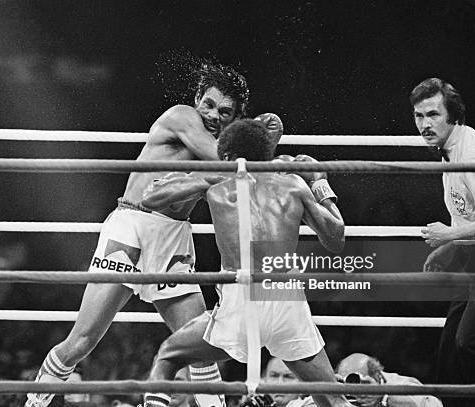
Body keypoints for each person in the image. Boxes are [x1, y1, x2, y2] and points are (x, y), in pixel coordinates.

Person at [26, 63, 282, 407]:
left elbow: (244, 187)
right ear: (196, 99)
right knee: (83, 340)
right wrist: (259, 139)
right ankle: (32, 403)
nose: (212, 115)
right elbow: (226, 162)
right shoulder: (181, 117)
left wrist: (253, 143)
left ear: (233, 116)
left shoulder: (229, 145)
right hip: (133, 227)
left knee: (202, 346)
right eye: (208, 104)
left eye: (224, 112)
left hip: (175, 238)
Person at [141, 119, 353, 407]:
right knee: (332, 400)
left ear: (226, 157)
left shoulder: (218, 181)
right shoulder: (293, 184)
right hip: (285, 298)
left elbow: (150, 198)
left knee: (168, 356)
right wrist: (320, 180)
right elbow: (336, 238)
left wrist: (201, 176)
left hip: (241, 299)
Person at [415, 78, 475, 407]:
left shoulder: (474, 152)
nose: (425, 124)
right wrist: (449, 246)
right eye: (419, 116)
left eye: (433, 115)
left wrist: (450, 235)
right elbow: (472, 215)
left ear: (454, 115)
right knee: (449, 352)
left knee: (471, 344)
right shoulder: (449, 151)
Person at [335, 353, 443, 407]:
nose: (351, 388)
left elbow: (435, 405)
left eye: (354, 380)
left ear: (376, 376)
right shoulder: (339, 395)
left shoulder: (400, 384)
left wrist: (385, 397)